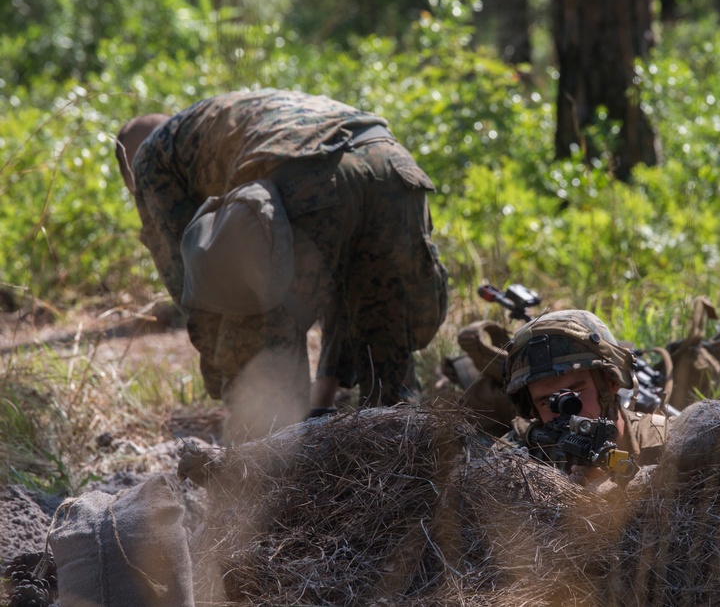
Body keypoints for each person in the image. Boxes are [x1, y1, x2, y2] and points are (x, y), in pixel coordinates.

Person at [115, 89, 449, 441]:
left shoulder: (150, 157)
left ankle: (267, 480)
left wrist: (226, 370)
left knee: (256, 351)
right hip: (391, 162)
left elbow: (195, 283)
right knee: (388, 359)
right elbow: (346, 289)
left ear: (131, 173)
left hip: (311, 174)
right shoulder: (230, 114)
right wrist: (325, 393)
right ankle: (409, 477)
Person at [500, 309, 668, 485]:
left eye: (574, 394)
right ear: (532, 408)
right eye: (546, 401)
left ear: (610, 382)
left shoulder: (665, 442)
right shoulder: (511, 460)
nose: (563, 413)